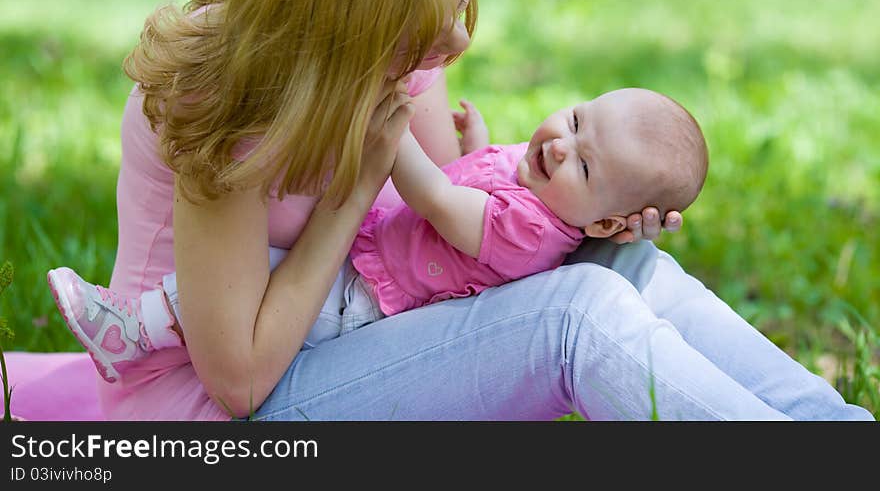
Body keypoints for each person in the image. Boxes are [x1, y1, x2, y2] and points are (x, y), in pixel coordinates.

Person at [47, 0, 873, 420]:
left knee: (619, 266)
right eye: (424, 37)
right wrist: (359, 187)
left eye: (454, 10)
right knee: (574, 319)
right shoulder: (221, 98)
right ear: (342, 35)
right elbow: (240, 380)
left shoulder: (395, 44)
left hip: (361, 322)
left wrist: (580, 221)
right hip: (216, 406)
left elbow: (456, 247)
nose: (452, 47)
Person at [51, 86, 711, 369]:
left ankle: (130, 332)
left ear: (598, 219)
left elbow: (435, 196)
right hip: (367, 258)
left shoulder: (532, 232)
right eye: (574, 119)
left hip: (363, 299)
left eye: (586, 163)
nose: (560, 144)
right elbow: (494, 168)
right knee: (260, 266)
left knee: (247, 293)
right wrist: (481, 142)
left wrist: (387, 131)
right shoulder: (548, 182)